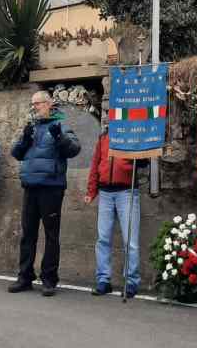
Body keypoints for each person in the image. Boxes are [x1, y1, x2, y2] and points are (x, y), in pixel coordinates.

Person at [7, 91, 81, 297]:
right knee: (27, 234)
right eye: (33, 104)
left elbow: (74, 149)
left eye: (38, 103)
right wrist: (24, 138)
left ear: (49, 104)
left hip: (52, 186)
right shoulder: (31, 127)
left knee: (51, 235)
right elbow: (16, 153)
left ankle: (49, 279)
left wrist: (59, 137)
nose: (35, 107)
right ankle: (25, 277)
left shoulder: (62, 125)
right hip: (30, 186)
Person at [84, 126, 146, 298]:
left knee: (130, 241)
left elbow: (144, 159)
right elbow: (96, 163)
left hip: (126, 191)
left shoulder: (132, 133)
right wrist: (91, 191)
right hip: (105, 193)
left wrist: (141, 159)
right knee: (103, 239)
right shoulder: (103, 136)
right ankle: (103, 280)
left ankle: (131, 282)